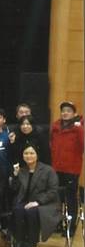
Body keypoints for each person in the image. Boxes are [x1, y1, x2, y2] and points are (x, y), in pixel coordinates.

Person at [8, 145, 61, 247]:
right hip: (26, 202)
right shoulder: (22, 170)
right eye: (26, 153)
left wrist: (38, 202)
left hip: (45, 204)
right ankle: (19, 241)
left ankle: (32, 245)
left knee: (31, 211)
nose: (29, 156)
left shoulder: (48, 170)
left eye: (32, 153)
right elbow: (14, 189)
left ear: (37, 155)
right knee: (18, 209)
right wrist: (15, 175)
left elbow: (53, 191)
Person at [49, 101, 83, 237]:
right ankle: (57, 223)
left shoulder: (79, 127)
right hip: (56, 168)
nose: (65, 113)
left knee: (70, 199)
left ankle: (70, 226)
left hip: (71, 169)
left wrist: (79, 129)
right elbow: (51, 144)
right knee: (57, 197)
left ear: (74, 113)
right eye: (63, 111)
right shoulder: (56, 126)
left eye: (68, 111)